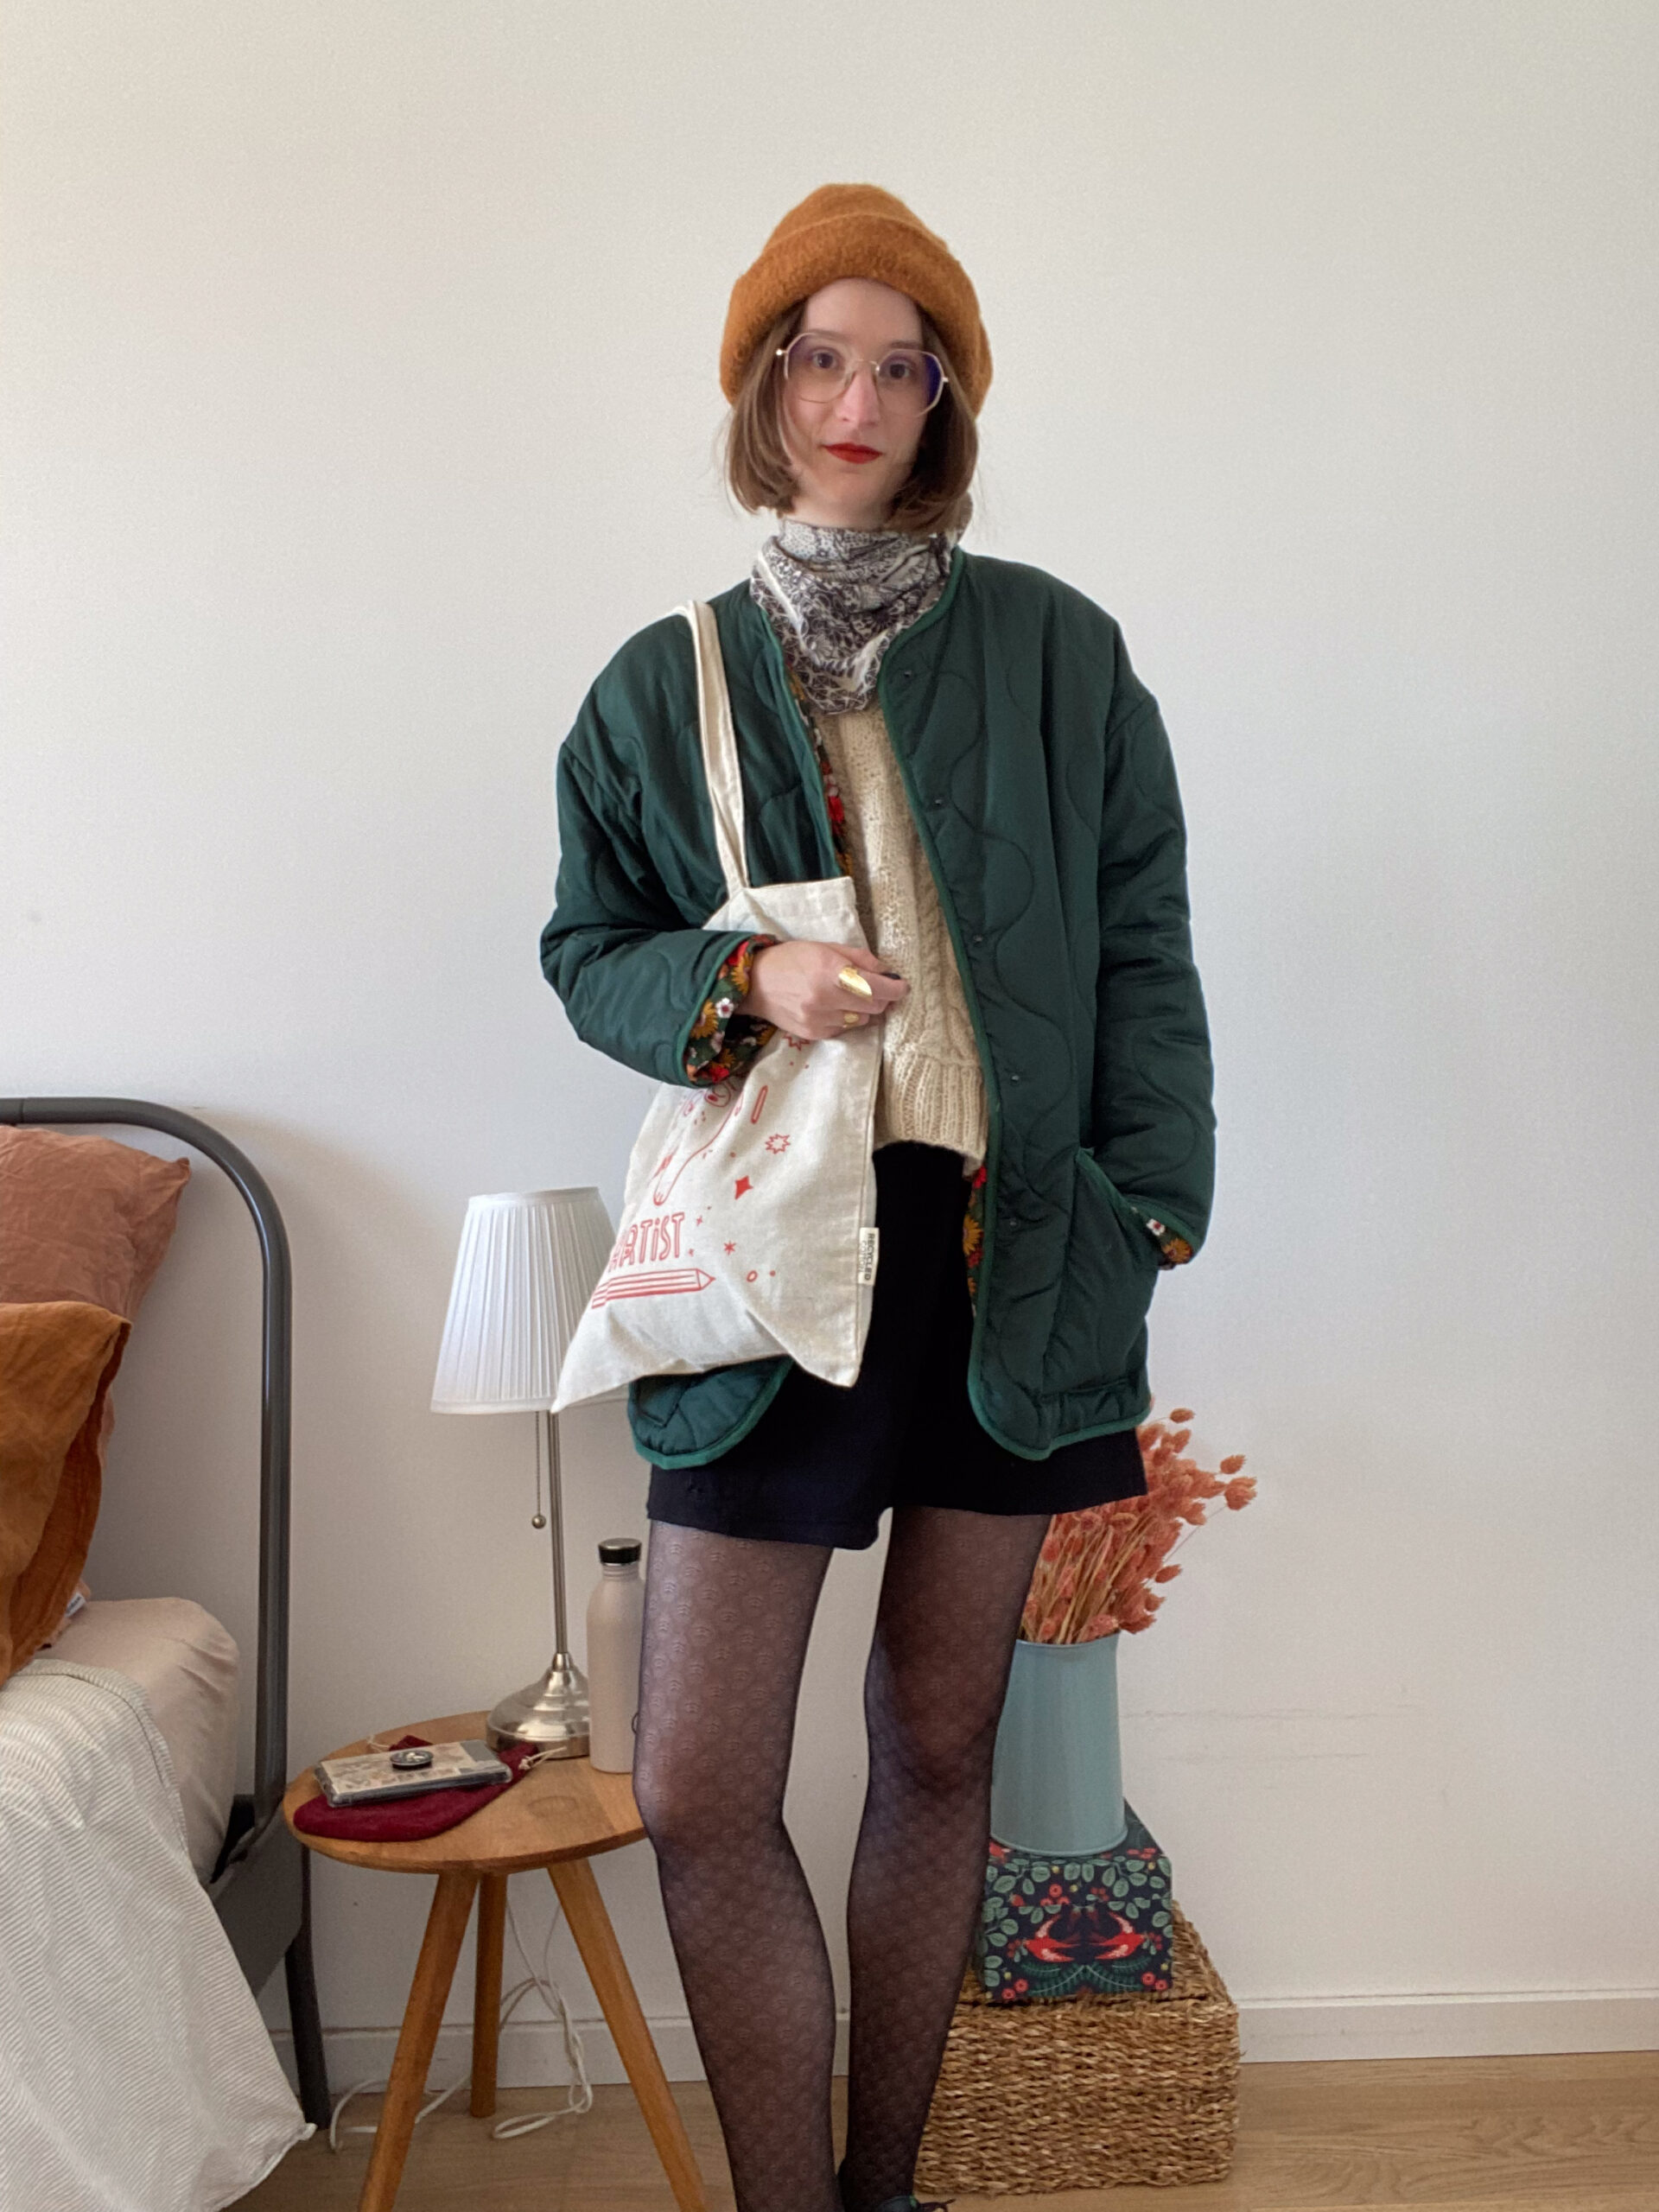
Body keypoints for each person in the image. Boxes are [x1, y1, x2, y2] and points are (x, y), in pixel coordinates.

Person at [540, 183, 1216, 2212]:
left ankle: (884, 2188)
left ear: (946, 402)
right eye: (820, 356)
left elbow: (1142, 943)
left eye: (901, 364)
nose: (860, 397)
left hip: (1011, 1265)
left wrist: (1154, 1204)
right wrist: (741, 981)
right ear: (766, 386)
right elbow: (591, 944)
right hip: (771, 1281)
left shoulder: (1061, 650)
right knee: (699, 1786)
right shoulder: (661, 682)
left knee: (941, 1749)